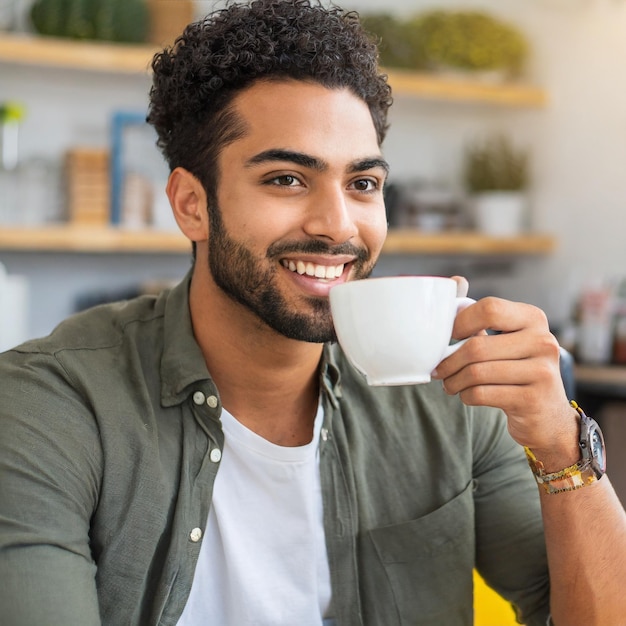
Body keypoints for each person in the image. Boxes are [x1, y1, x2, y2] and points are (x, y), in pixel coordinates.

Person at [1, 0, 625, 624]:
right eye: (286, 179)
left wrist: (563, 446)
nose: (338, 226)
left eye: (362, 184)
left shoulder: (446, 396)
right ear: (192, 204)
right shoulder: (47, 407)